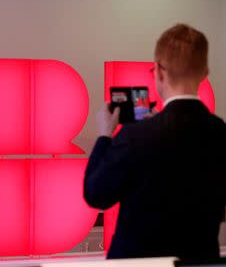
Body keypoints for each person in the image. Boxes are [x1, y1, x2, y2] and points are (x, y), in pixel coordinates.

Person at [84, 24, 226, 260]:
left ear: (159, 72)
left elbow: (96, 194)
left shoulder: (135, 136)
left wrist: (105, 135)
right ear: (205, 73)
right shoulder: (221, 132)